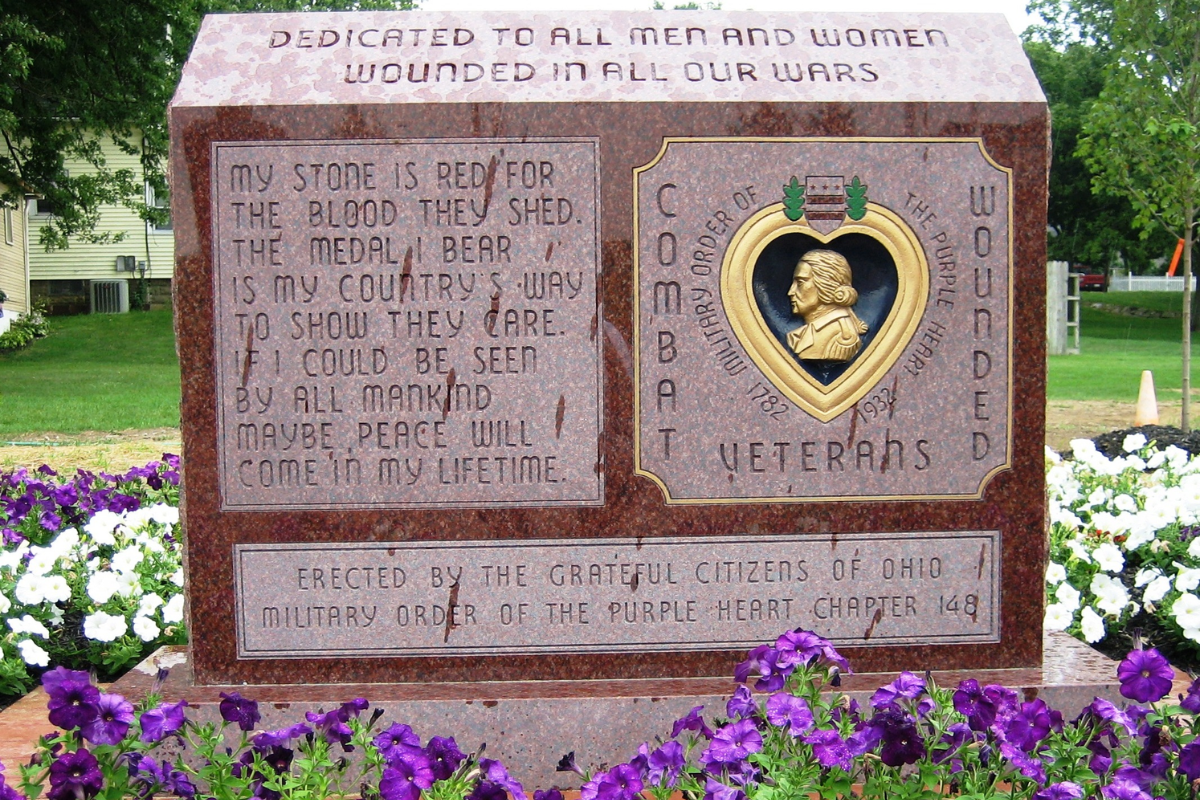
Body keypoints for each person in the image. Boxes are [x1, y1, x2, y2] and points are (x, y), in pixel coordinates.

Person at [785, 249, 868, 362]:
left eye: (800, 282)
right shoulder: (809, 332)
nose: (791, 292)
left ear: (826, 285)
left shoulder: (843, 337)